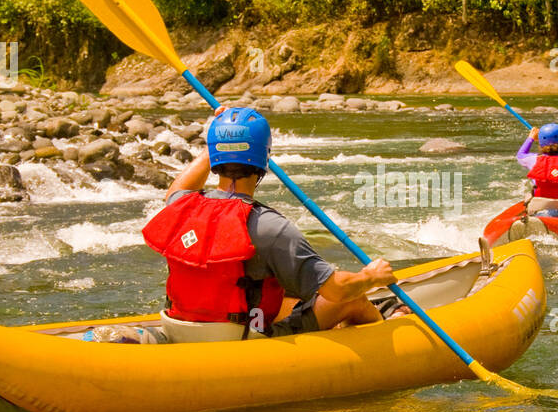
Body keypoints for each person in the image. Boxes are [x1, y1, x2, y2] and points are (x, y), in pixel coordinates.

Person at [142, 106, 398, 339]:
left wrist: (222, 138)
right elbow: (335, 291)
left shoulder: (182, 207)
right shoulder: (271, 227)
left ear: (214, 156)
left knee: (289, 295)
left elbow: (177, 189)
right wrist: (371, 277)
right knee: (352, 300)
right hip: (242, 339)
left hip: (180, 327)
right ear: (264, 158)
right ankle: (386, 337)